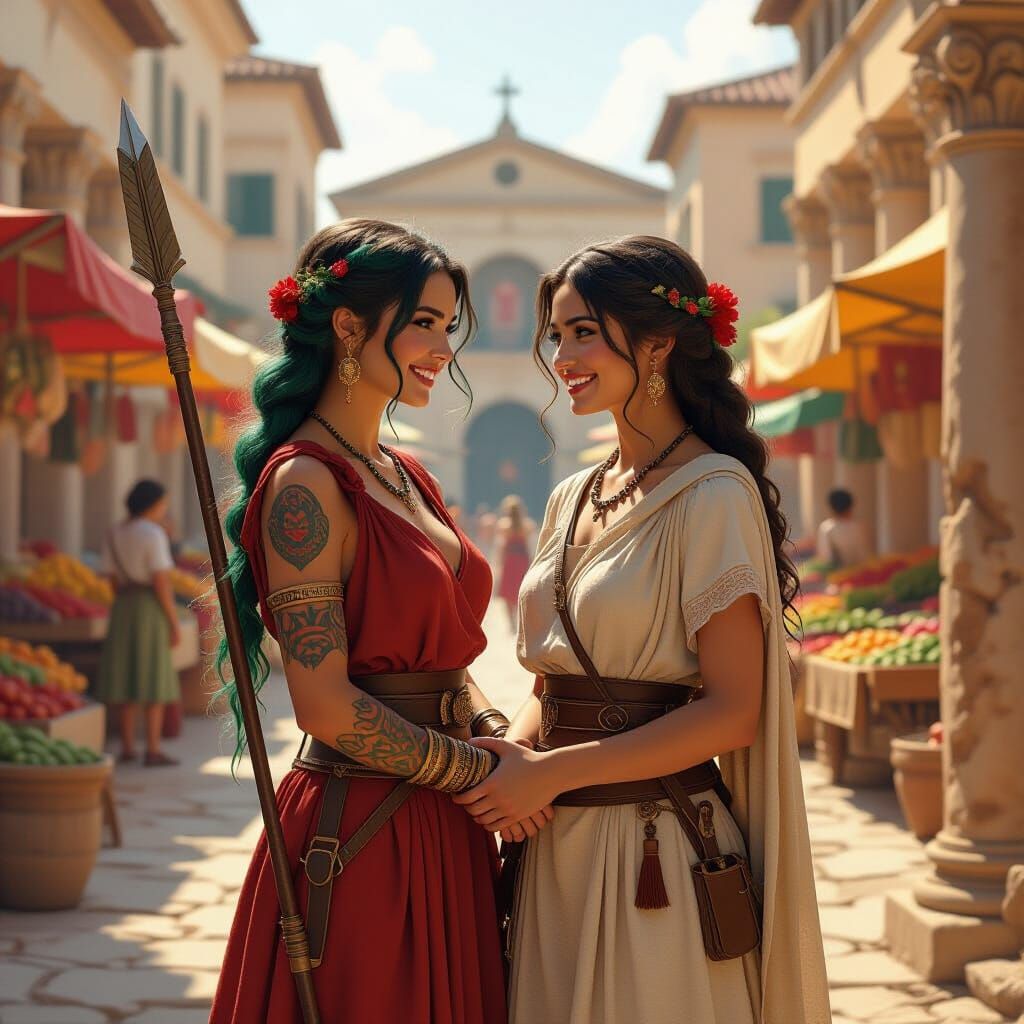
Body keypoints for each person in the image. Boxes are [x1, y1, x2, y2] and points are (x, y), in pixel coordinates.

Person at [455, 236, 830, 1023]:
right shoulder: (569, 497)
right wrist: (516, 761)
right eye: (557, 335)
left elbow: (733, 709)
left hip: (651, 852)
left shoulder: (714, 494)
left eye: (585, 331)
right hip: (555, 847)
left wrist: (550, 774)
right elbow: (555, 681)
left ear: (657, 344)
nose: (563, 356)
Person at [209, 219, 550, 1023]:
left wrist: (499, 732)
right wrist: (479, 773)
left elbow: (438, 659)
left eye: (448, 327)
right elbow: (325, 705)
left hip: (444, 821)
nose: (444, 349)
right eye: (424, 323)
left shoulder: (406, 474)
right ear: (350, 326)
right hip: (362, 829)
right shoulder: (305, 486)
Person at [96, 478, 181, 766]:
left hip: (123, 607)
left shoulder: (113, 533)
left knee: (126, 677)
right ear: (153, 504)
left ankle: (128, 746)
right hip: (149, 608)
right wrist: (173, 621)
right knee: (154, 677)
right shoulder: (153, 534)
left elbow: (109, 577)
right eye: (163, 503)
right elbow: (161, 581)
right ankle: (153, 748)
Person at [494, 494, 535, 632]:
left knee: (507, 591)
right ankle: (519, 620)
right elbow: (530, 546)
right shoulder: (528, 525)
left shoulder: (503, 525)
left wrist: (498, 563)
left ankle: (511, 622)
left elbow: (501, 546)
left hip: (510, 560)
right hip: (522, 559)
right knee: (520, 590)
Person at [816, 487, 871, 568]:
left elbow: (826, 559)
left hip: (837, 576)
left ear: (831, 507)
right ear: (850, 506)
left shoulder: (826, 528)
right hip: (860, 573)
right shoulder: (859, 527)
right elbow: (865, 556)